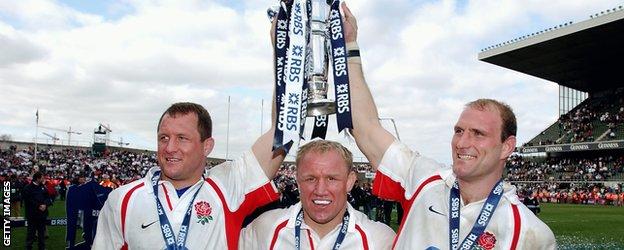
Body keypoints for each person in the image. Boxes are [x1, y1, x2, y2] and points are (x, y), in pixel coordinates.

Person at [340, 3, 556, 249]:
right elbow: (365, 128)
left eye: (478, 134)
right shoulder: (424, 179)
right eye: (459, 131)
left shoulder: (530, 233)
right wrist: (349, 46)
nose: (462, 142)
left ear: (507, 147)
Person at [93, 102, 285, 250]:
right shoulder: (123, 200)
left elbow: (282, 131)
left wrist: (284, 53)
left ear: (207, 146)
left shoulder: (227, 186)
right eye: (164, 138)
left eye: (182, 138)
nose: (169, 148)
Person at [239, 140, 395, 249]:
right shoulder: (265, 228)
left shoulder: (380, 239)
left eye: (331, 178)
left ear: (349, 181)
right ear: (298, 180)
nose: (320, 190)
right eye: (310, 178)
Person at [22, 171, 50, 250]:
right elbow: (28, 200)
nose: (43, 179)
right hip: (32, 215)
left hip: (42, 214)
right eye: (42, 178)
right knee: (31, 233)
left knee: (41, 233)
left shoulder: (43, 187)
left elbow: (48, 197)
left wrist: (45, 204)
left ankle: (42, 247)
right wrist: (39, 206)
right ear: (37, 178)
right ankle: (28, 247)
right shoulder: (28, 188)